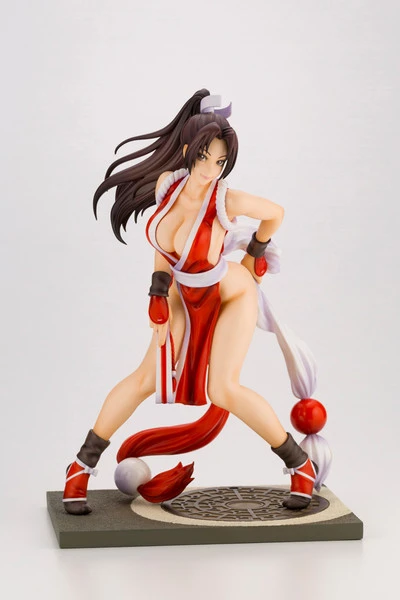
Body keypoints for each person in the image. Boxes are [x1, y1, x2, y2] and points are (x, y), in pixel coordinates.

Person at [63, 89, 319, 516]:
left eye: (219, 162)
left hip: (229, 293)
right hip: (182, 293)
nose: (210, 169)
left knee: (224, 389)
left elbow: (275, 212)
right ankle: (80, 467)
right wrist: (157, 294)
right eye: (204, 158)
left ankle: (300, 466)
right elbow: (163, 250)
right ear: (187, 151)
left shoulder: (225, 199)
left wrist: (255, 253)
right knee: (146, 378)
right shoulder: (169, 185)